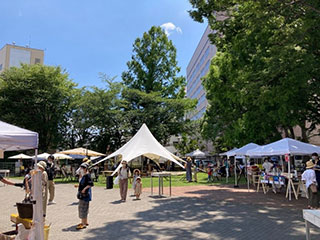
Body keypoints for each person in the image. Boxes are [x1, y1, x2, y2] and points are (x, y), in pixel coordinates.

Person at [76, 163, 94, 230]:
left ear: (86, 169)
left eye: (83, 168)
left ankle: (83, 223)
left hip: (85, 195)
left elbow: (90, 184)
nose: (82, 169)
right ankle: (85, 222)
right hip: (83, 194)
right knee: (84, 208)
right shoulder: (84, 176)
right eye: (81, 168)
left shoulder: (87, 175)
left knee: (83, 208)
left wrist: (84, 189)